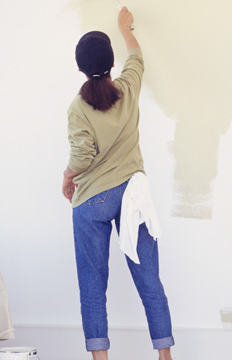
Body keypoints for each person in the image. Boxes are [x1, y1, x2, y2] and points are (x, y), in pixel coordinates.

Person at [62, 8, 173, 360]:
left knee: (93, 288)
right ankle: (166, 356)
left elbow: (82, 156)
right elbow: (137, 58)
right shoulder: (128, 87)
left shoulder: (78, 108)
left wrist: (67, 177)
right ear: (112, 64)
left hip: (92, 200)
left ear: (80, 68)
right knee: (149, 281)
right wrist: (125, 29)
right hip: (132, 196)